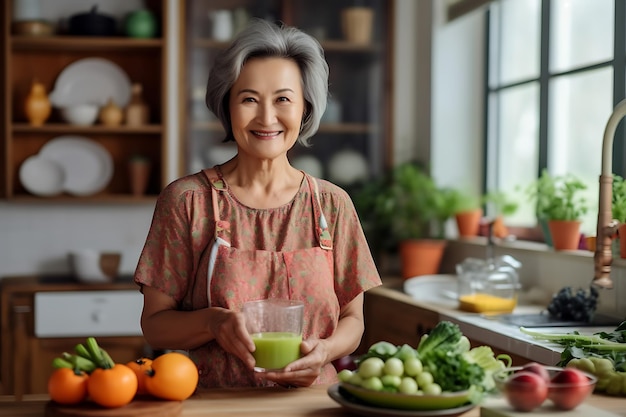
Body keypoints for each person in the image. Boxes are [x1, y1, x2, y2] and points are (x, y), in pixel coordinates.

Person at [134, 18, 381, 389]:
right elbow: (155, 325)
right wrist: (212, 322)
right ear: (227, 106)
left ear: (305, 108)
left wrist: (325, 350)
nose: (267, 118)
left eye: (283, 99)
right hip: (217, 404)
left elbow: (354, 320)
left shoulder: (332, 205)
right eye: (249, 99)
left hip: (313, 406)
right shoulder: (187, 201)